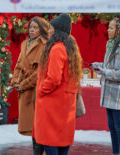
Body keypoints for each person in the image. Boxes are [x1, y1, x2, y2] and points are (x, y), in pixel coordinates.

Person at [34, 14, 83, 155]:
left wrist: (42, 91)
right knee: (62, 145)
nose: (48, 31)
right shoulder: (71, 47)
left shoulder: (56, 49)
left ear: (57, 31)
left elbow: (54, 78)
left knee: (49, 143)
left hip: (52, 105)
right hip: (65, 104)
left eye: (51, 28)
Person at [91, 14, 120, 155]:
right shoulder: (111, 45)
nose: (108, 30)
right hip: (109, 92)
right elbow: (109, 66)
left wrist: (106, 73)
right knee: (112, 126)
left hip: (119, 93)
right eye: (108, 28)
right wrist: (99, 66)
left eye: (111, 28)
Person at [11, 16, 50, 155]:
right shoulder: (25, 43)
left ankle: (39, 152)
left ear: (42, 29)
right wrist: (15, 81)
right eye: (30, 27)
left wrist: (24, 84)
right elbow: (18, 64)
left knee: (37, 126)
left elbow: (40, 70)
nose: (31, 30)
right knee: (32, 127)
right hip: (23, 87)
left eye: (35, 27)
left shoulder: (44, 44)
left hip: (35, 89)